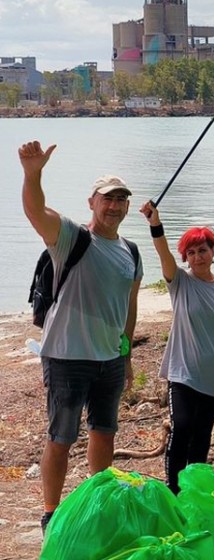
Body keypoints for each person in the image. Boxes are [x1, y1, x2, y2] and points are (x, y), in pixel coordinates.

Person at [19, 141, 142, 531]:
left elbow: (129, 305)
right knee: (61, 437)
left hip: (109, 360)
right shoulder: (71, 237)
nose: (115, 206)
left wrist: (126, 350)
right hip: (67, 357)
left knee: (104, 433)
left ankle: (97, 498)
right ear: (92, 202)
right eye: (108, 199)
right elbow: (36, 211)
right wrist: (33, 173)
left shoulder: (132, 251)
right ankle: (51, 514)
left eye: (121, 200)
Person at [140, 202, 214, 493]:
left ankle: (194, 490)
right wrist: (154, 223)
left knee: (202, 434)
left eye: (203, 250)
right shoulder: (180, 282)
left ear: (213, 252)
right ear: (185, 257)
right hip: (183, 372)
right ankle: (173, 490)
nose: (198, 256)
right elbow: (161, 251)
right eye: (192, 252)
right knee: (182, 426)